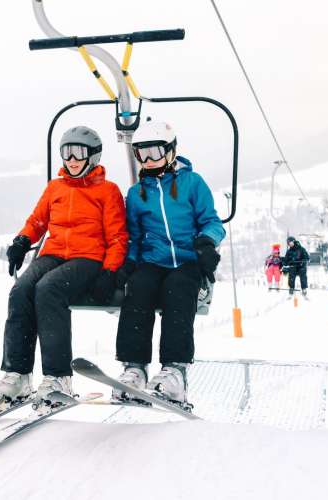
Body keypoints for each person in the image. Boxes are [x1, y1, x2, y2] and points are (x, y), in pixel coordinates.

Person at [0, 126, 128, 406]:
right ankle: (17, 373)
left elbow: (117, 236)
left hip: (88, 257)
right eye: (66, 152)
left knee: (48, 289)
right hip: (54, 253)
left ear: (93, 155)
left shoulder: (107, 191)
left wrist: (111, 270)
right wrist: (21, 241)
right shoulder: (56, 187)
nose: (71, 159)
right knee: (21, 290)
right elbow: (38, 221)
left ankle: (58, 377)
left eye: (78, 152)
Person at [112, 119, 225, 407]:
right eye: (142, 154)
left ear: (171, 151)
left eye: (155, 153)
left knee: (178, 289)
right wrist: (128, 264)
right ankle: (134, 368)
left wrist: (207, 242)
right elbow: (135, 238)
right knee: (138, 289)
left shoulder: (192, 183)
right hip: (153, 260)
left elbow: (212, 221)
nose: (148, 160)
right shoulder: (137, 194)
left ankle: (175, 371)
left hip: (188, 260)